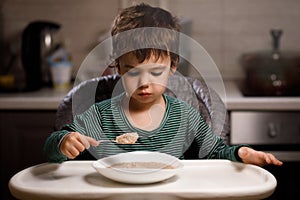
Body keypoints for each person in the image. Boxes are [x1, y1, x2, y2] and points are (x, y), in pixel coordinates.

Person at [44, 3, 282, 167]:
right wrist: (64, 143)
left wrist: (241, 153)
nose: (144, 83)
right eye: (132, 72)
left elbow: (216, 152)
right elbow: (53, 147)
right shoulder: (101, 116)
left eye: (156, 72)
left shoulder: (185, 117)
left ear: (173, 65)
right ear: (118, 67)